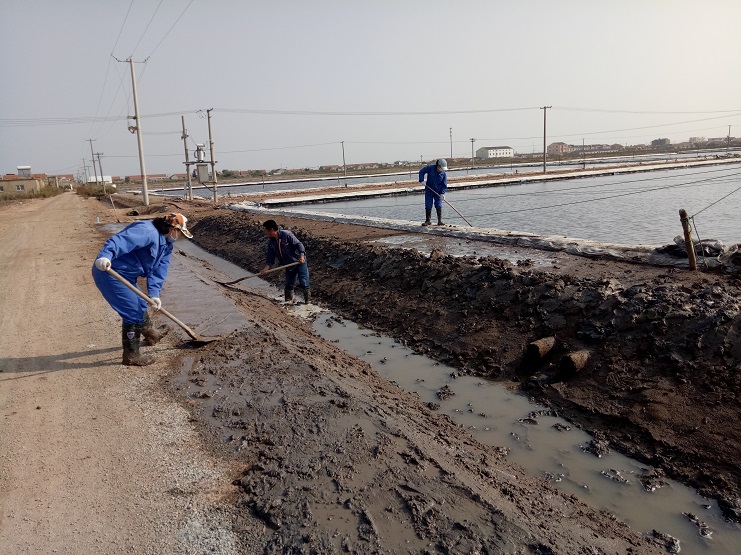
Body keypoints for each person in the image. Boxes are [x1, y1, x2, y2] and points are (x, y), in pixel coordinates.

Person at [92, 213, 193, 366]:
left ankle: (152, 335)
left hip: (128, 275)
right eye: (180, 234)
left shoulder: (166, 244)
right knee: (133, 312)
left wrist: (154, 294)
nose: (179, 238)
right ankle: (131, 356)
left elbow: (159, 269)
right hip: (109, 272)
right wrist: (106, 255)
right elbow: (119, 241)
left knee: (140, 304)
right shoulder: (146, 231)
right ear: (173, 229)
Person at [260, 219, 311, 304]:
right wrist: (266, 269)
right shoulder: (272, 242)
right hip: (289, 264)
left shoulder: (286, 235)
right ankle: (288, 302)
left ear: (271, 230)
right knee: (289, 284)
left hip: (299, 262)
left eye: (266, 230)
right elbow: (270, 257)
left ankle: (308, 303)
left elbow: (299, 244)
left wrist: (302, 255)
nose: (265, 232)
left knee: (304, 282)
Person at [418, 158, 448, 226]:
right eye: (441, 168)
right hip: (429, 190)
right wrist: (421, 180)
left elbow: (444, 185)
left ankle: (439, 221)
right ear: (438, 166)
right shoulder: (430, 168)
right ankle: (428, 221)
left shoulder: (443, 174)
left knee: (438, 205)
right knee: (428, 205)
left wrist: (442, 193)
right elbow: (421, 172)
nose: (441, 170)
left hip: (438, 192)